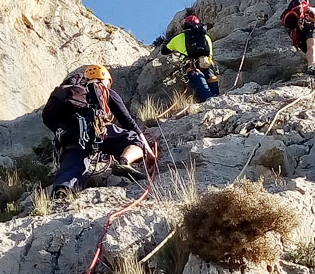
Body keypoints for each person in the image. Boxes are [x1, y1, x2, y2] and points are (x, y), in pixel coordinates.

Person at [42, 65, 152, 197]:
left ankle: (63, 190)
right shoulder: (102, 89)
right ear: (104, 79)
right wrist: (147, 149)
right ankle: (124, 162)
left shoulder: (67, 93)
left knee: (74, 163)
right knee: (132, 138)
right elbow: (127, 121)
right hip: (95, 129)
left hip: (67, 135)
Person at [162, 11, 220, 101]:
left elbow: (164, 51)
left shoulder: (178, 38)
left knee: (201, 85)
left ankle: (208, 100)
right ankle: (216, 99)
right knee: (212, 81)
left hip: (191, 66)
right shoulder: (206, 37)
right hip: (207, 63)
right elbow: (210, 53)